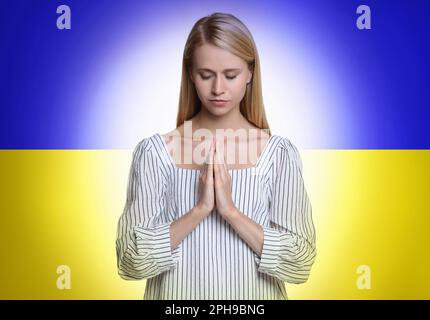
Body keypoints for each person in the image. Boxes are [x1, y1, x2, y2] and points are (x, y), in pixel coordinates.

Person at [116, 12, 316, 300]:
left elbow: (300, 263)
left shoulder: (279, 155)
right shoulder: (154, 153)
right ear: (190, 75)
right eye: (206, 75)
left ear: (250, 74)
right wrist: (198, 211)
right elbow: (130, 261)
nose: (218, 89)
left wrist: (231, 213)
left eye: (230, 75)